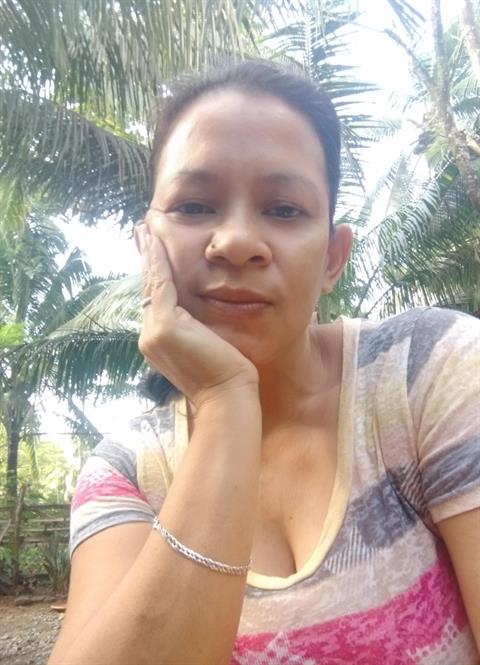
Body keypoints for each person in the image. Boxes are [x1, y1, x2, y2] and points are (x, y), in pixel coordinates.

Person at [48, 60, 480, 665]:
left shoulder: (429, 371)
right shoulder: (128, 474)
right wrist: (226, 403)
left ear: (332, 259)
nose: (236, 243)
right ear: (147, 244)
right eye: (193, 205)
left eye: (283, 210)